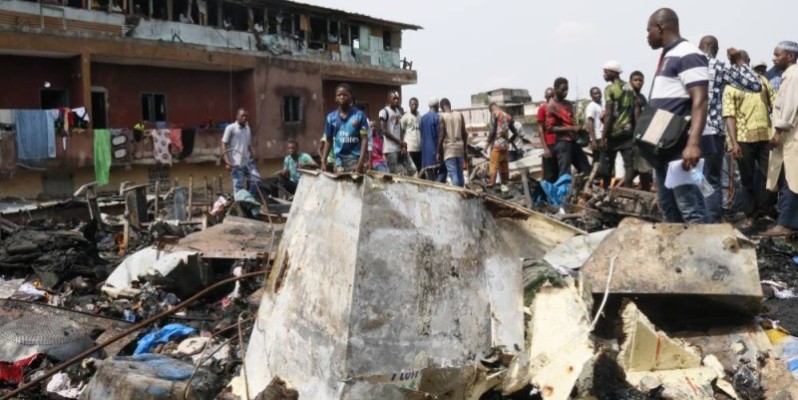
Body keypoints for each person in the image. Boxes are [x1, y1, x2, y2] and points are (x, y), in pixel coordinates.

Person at [644, 8, 709, 223]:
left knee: (691, 209)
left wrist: (693, 143)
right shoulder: (668, 55)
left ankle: (705, 256)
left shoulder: (687, 54)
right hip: (663, 147)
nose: (647, 36)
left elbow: (700, 100)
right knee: (669, 210)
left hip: (680, 148)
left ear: (660, 28)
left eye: (649, 31)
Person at [698, 35, 762, 222]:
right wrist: (740, 61)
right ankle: (712, 222)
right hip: (713, 133)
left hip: (688, 132)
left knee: (693, 177)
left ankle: (696, 217)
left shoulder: (687, 64)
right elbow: (755, 85)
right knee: (713, 179)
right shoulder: (720, 67)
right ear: (716, 50)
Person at [724, 51, 776, 223]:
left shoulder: (763, 81)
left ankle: (766, 209)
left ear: (748, 62)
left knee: (768, 175)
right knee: (746, 178)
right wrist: (734, 142)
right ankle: (751, 214)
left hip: (766, 136)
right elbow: (729, 115)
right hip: (743, 138)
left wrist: (777, 132)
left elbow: (776, 106)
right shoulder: (731, 85)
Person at [761, 42, 798, 236]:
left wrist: (777, 132)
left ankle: (786, 224)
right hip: (790, 138)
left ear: (790, 56)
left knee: (788, 180)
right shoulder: (789, 76)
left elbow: (790, 107)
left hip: (790, 139)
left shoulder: (793, 76)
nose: (774, 58)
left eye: (778, 54)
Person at [601, 60, 637, 188]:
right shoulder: (629, 87)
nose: (603, 75)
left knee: (607, 165)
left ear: (613, 72)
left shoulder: (609, 89)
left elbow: (609, 114)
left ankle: (604, 192)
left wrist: (604, 136)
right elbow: (634, 110)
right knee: (629, 166)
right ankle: (627, 192)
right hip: (627, 131)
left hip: (613, 133)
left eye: (605, 72)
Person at [546, 77, 591, 179]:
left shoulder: (568, 104)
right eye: (562, 90)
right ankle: (564, 194)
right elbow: (550, 128)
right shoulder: (551, 106)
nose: (565, 92)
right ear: (555, 89)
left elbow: (572, 120)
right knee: (565, 173)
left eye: (567, 90)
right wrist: (571, 128)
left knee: (586, 169)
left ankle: (584, 191)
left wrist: (580, 128)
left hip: (574, 141)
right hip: (563, 143)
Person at [321, 83, 369, 174]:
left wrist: (361, 162)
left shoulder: (359, 115)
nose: (342, 97)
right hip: (339, 161)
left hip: (355, 160)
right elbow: (328, 140)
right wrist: (323, 161)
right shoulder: (331, 118)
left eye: (345, 95)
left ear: (351, 97)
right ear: (335, 98)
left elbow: (364, 139)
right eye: (339, 95)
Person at [222, 108, 261, 199]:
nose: (244, 118)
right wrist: (227, 161)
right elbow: (223, 144)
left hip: (247, 162)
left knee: (257, 179)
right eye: (242, 116)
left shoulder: (248, 129)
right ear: (237, 117)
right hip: (236, 163)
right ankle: (242, 206)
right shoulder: (230, 128)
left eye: (246, 116)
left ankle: (250, 200)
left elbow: (249, 145)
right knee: (238, 187)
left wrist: (253, 158)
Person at [379, 91, 416, 176]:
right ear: (389, 99)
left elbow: (400, 129)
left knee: (412, 170)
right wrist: (398, 141)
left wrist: (402, 143)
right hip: (390, 149)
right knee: (394, 174)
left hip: (399, 148)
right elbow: (384, 131)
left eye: (397, 99)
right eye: (394, 99)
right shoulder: (384, 111)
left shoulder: (397, 111)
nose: (396, 101)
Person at [630, 70, 654, 191]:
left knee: (642, 167)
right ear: (630, 81)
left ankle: (646, 190)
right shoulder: (630, 97)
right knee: (640, 167)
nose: (638, 83)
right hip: (634, 135)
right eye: (635, 80)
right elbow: (636, 118)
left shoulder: (642, 97)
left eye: (640, 80)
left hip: (643, 134)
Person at [486, 103, 518, 187]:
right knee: (503, 165)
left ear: (491, 110)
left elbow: (492, 131)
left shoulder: (495, 114)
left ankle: (492, 182)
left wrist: (486, 144)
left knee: (493, 164)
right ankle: (505, 183)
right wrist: (509, 140)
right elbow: (515, 133)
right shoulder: (508, 116)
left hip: (496, 145)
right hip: (505, 146)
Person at [437, 98, 468, 187]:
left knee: (453, 175)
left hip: (449, 150)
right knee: (460, 173)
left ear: (441, 107)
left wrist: (438, 151)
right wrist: (465, 149)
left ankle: (458, 195)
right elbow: (465, 134)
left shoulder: (443, 117)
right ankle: (462, 192)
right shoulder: (459, 115)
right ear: (450, 105)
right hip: (460, 148)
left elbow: (441, 136)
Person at [420, 98, 445, 181]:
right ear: (437, 105)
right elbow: (441, 136)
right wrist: (438, 152)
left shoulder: (422, 118)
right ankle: (438, 186)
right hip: (435, 150)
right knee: (444, 169)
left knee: (430, 176)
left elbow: (421, 134)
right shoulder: (438, 117)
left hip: (425, 152)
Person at [537, 88, 558, 183]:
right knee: (550, 173)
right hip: (550, 144)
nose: (551, 99)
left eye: (552, 96)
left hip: (560, 143)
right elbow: (540, 128)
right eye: (549, 97)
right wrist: (545, 148)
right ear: (546, 98)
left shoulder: (559, 108)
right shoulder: (543, 109)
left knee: (561, 171)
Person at [584, 87, 605, 181]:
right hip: (597, 136)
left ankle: (596, 177)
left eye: (599, 93)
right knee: (598, 159)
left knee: (601, 159)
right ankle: (594, 178)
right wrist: (593, 139)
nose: (598, 95)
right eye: (595, 93)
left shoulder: (601, 105)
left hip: (601, 135)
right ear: (591, 95)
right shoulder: (591, 106)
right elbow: (590, 123)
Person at [401, 97, 422, 171]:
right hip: (410, 147)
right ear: (409, 105)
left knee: (419, 168)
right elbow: (401, 132)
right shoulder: (405, 117)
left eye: (416, 104)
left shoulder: (420, 116)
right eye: (412, 104)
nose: (414, 106)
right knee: (412, 169)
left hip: (419, 147)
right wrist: (402, 146)